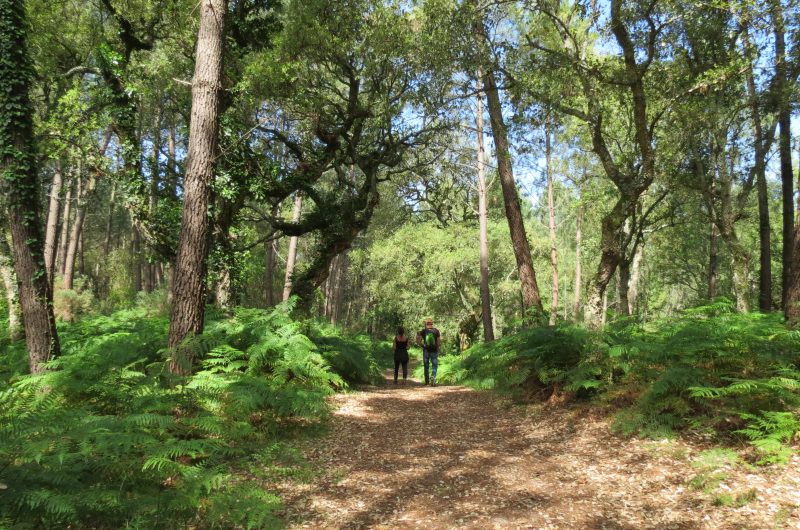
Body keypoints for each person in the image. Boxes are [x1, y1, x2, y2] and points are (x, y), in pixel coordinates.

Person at [416, 318, 441, 386]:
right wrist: (438, 348)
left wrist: (422, 346)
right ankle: (433, 376)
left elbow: (418, 340)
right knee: (434, 366)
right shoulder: (436, 331)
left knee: (426, 366)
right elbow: (439, 341)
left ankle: (427, 382)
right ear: (432, 323)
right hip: (434, 351)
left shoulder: (424, 331)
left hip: (426, 351)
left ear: (426, 324)